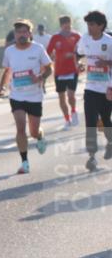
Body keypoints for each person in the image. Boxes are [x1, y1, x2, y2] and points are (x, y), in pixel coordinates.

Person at [0, 19, 52, 174]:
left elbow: (49, 68)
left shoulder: (38, 49)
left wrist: (40, 77)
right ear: (15, 35)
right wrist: (2, 86)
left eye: (24, 32)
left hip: (34, 96)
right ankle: (25, 162)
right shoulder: (10, 51)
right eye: (18, 32)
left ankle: (40, 136)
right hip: (17, 95)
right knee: (20, 128)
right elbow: (8, 70)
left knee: (33, 132)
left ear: (29, 33)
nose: (21, 35)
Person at [76, 10, 112, 172]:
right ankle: (92, 157)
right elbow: (78, 54)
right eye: (87, 25)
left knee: (105, 121)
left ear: (101, 25)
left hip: (107, 89)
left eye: (92, 24)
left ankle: (110, 143)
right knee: (90, 123)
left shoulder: (109, 42)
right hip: (90, 88)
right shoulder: (85, 39)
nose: (89, 28)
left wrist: (107, 64)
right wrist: (79, 65)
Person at [47, 15, 82, 129]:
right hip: (59, 72)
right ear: (61, 25)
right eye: (65, 25)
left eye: (69, 24)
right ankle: (67, 119)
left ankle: (73, 111)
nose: (67, 27)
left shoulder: (76, 36)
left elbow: (83, 51)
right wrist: (50, 59)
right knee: (61, 97)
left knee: (71, 95)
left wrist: (74, 57)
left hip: (72, 70)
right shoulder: (55, 38)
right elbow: (47, 52)